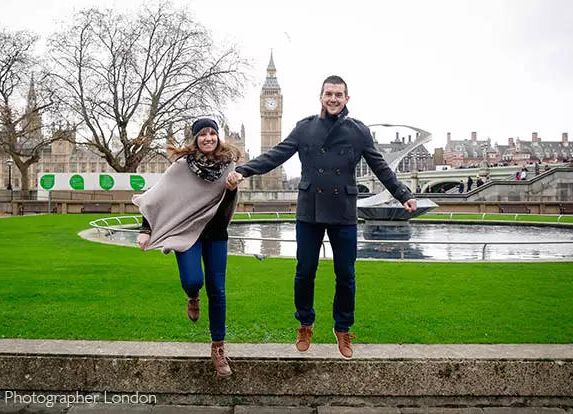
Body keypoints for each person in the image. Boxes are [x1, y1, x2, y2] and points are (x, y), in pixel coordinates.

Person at [227, 75, 417, 359]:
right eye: (329, 93)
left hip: (343, 210)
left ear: (346, 99)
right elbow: (277, 155)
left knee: (346, 275)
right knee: (304, 272)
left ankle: (343, 329)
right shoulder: (305, 128)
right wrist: (244, 170)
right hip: (310, 210)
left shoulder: (359, 131)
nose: (333, 99)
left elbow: (380, 167)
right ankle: (305, 323)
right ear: (321, 96)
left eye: (338, 94)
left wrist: (403, 193)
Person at [132, 118, 241, 377]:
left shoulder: (229, 166)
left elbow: (226, 207)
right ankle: (192, 295)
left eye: (212, 133)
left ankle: (218, 348)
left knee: (218, 290)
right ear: (195, 139)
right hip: (185, 232)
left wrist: (231, 189)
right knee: (193, 279)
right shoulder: (181, 167)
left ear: (218, 137)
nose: (208, 138)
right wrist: (145, 230)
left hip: (215, 233)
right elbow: (157, 197)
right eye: (202, 134)